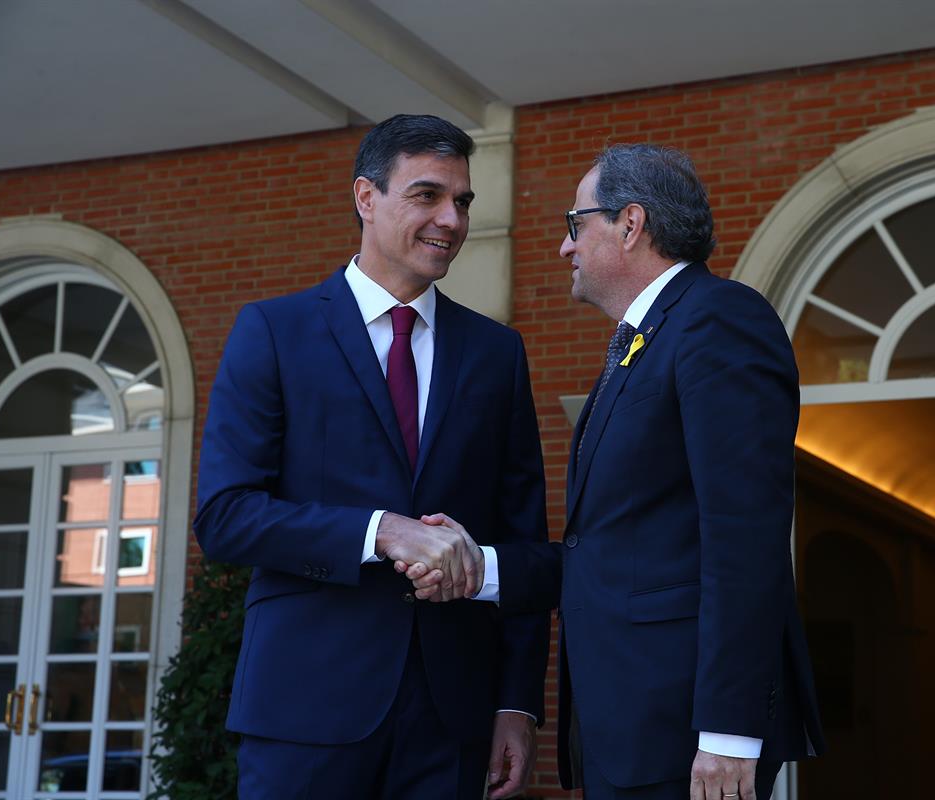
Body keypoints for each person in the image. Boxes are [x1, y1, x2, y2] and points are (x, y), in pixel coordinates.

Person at [409, 143, 824, 800]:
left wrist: (726, 732)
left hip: (686, 732)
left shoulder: (719, 321)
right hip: (632, 725)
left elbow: (745, 539)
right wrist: (480, 569)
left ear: (630, 225)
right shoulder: (644, 340)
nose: (565, 248)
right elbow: (609, 548)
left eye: (577, 225)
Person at [194, 114, 549, 799]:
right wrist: (382, 530)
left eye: (463, 201)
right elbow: (226, 515)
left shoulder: (497, 355)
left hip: (452, 718)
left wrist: (515, 702)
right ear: (366, 197)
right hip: (305, 707)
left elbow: (520, 537)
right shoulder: (273, 332)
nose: (451, 218)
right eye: (427, 196)